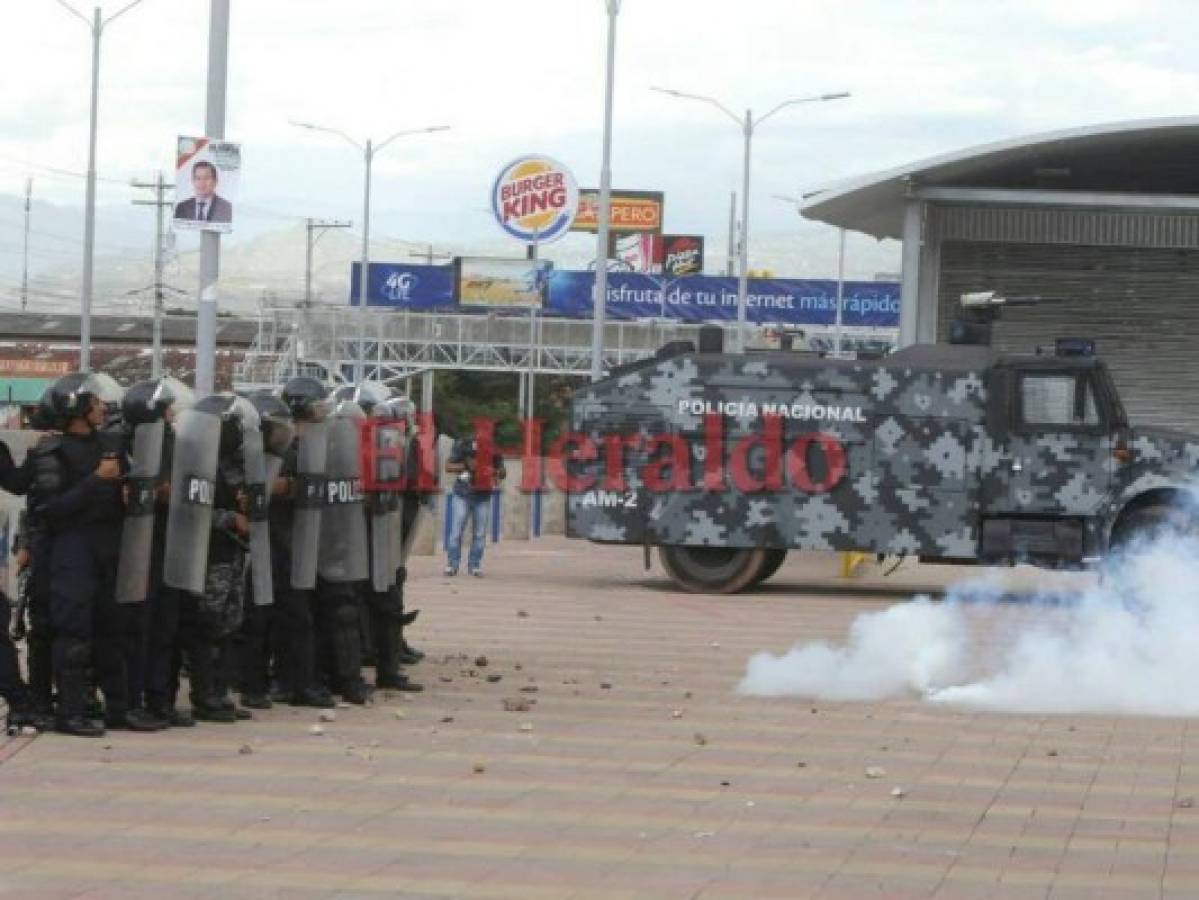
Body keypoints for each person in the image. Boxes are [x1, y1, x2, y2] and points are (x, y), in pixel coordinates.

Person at [444, 432, 505, 577]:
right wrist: (466, 465)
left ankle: (475, 565)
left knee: (479, 534)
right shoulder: (463, 445)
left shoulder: (494, 450)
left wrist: (494, 472)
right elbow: (448, 466)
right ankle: (452, 565)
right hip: (462, 494)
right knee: (456, 531)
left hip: (483, 496)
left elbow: (502, 472)